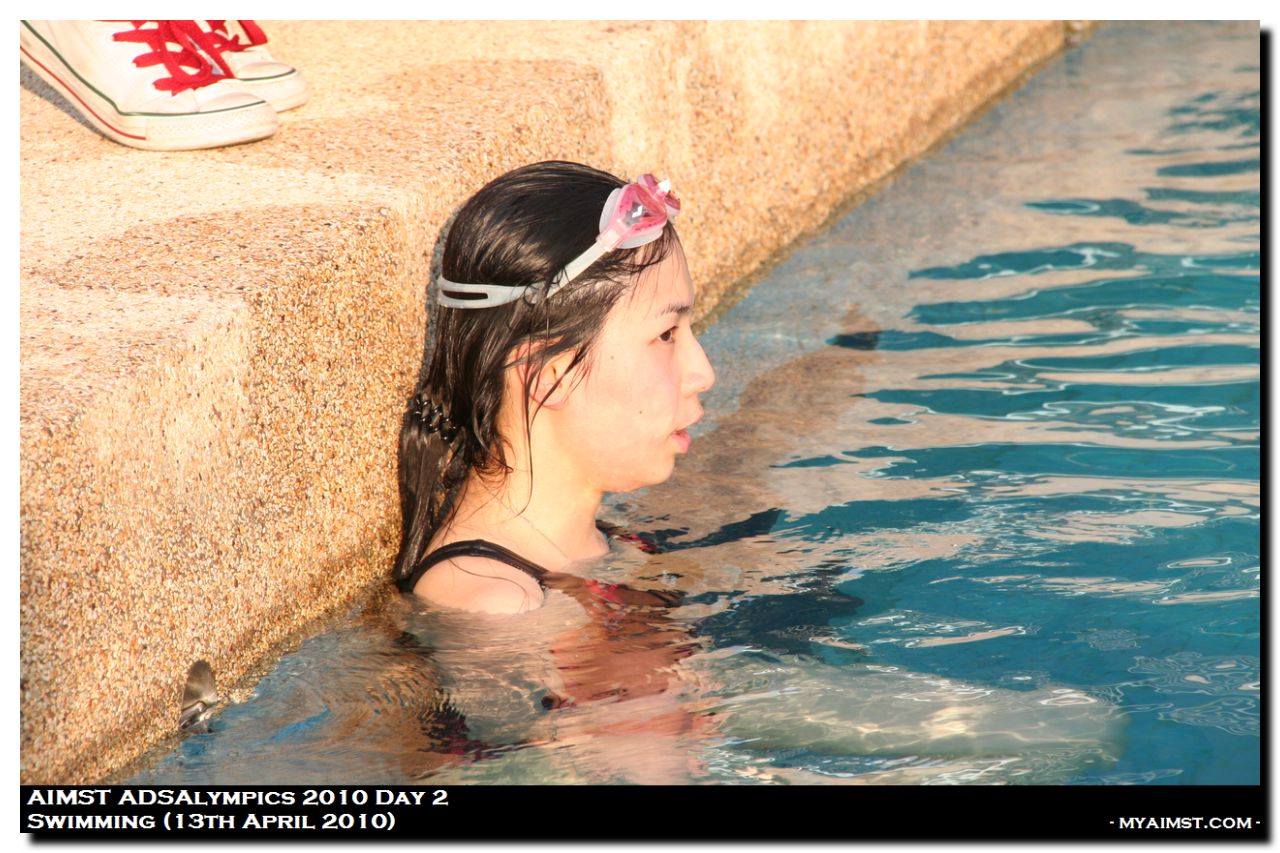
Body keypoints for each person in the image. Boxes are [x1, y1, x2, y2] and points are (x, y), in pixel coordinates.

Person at [394, 160, 715, 615]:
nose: (703, 373)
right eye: (666, 335)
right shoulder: (497, 603)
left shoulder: (607, 546)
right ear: (549, 375)